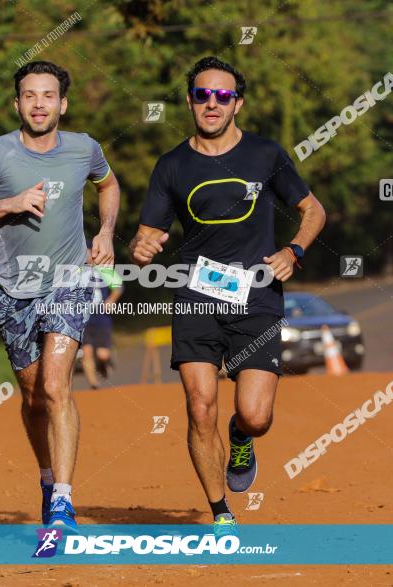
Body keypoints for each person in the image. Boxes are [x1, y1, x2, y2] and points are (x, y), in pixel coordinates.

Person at [129, 56, 326, 534]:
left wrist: (294, 250)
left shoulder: (265, 155)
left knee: (256, 416)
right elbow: (147, 234)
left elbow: (313, 209)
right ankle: (221, 512)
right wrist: (141, 246)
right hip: (196, 296)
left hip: (257, 296)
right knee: (200, 406)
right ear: (191, 101)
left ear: (237, 102)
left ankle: (241, 437)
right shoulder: (172, 165)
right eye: (202, 94)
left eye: (222, 95)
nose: (211, 104)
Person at [0, 61, 120, 529]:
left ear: (62, 103)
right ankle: (47, 479)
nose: (39, 104)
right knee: (32, 396)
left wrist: (105, 233)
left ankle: (63, 501)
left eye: (48, 95)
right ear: (16, 103)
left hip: (68, 281)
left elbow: (108, 184)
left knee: (54, 385)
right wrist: (10, 203)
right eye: (29, 95)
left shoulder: (85, 149)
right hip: (14, 288)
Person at [81, 239, 123, 389]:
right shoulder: (77, 271)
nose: (88, 255)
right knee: (86, 352)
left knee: (102, 354)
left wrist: (111, 300)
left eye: (91, 251)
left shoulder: (104, 269)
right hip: (84, 317)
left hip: (101, 316)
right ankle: (94, 384)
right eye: (85, 252)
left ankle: (105, 363)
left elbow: (118, 287)